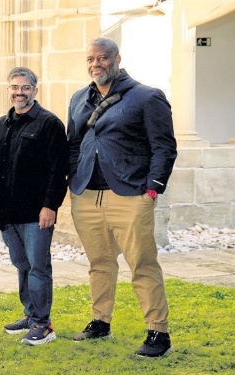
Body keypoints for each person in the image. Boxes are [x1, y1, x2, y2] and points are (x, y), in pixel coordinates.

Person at [67, 37, 177, 357]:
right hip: (86, 195)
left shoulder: (146, 96)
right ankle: (100, 322)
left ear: (117, 59)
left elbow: (163, 146)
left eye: (102, 58)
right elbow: (73, 144)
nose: (96, 64)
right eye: (90, 59)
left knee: (142, 263)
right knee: (99, 263)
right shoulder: (79, 98)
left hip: (130, 195)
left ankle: (158, 333)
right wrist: (72, 179)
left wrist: (152, 189)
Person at [0, 67, 67, 346]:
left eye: (25, 87)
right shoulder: (1, 125)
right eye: (14, 87)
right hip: (8, 213)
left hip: (36, 213)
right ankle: (31, 315)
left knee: (38, 267)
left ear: (35, 90)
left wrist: (50, 206)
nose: (19, 92)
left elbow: (58, 170)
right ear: (8, 90)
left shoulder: (49, 124)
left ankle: (44, 324)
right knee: (21, 265)